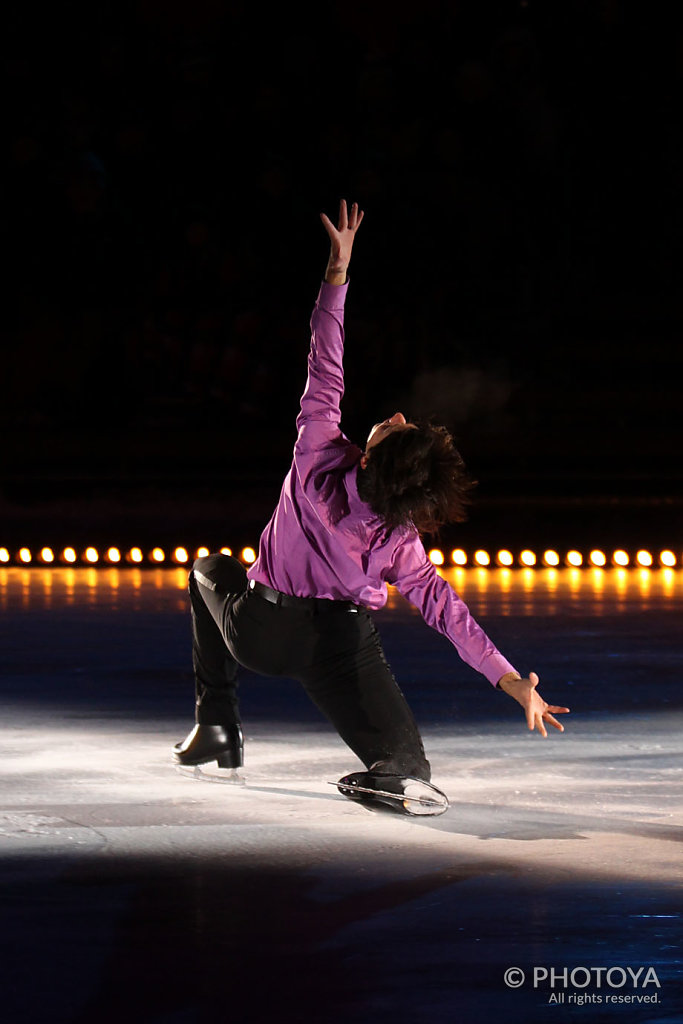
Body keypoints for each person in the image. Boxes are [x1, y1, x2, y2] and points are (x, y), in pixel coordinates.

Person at [173, 200, 570, 815]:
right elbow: (444, 608)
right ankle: (391, 770)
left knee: (208, 571)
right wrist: (509, 678)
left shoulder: (317, 453)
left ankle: (219, 727)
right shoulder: (398, 535)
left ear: (370, 458)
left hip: (265, 632)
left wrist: (338, 273)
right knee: (410, 762)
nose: (399, 417)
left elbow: (324, 359)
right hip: (342, 642)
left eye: (396, 429)